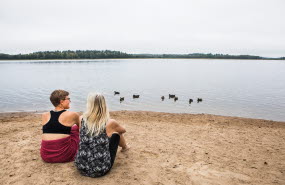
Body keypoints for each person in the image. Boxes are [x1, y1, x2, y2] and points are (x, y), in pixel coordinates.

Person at [75, 92, 130, 177]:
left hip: (81, 166)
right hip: (100, 169)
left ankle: (124, 146)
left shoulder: (81, 118)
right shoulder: (110, 122)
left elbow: (81, 136)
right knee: (117, 133)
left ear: (89, 105)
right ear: (104, 105)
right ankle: (125, 147)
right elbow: (123, 130)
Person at [40, 89, 80, 163]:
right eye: (68, 99)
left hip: (45, 155)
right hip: (63, 155)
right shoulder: (72, 114)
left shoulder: (44, 115)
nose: (70, 101)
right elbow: (81, 129)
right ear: (61, 101)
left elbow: (54, 129)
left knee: (70, 129)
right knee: (76, 131)